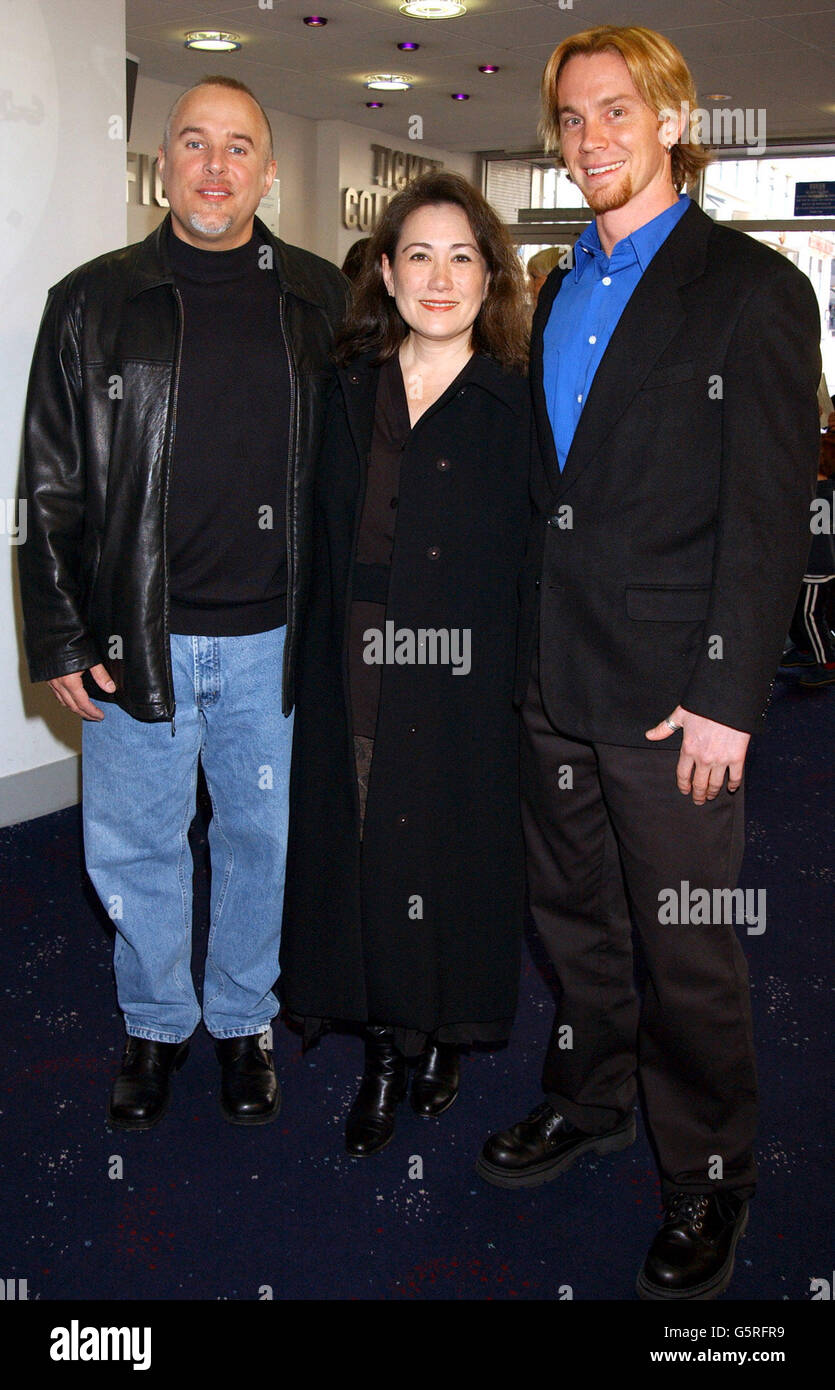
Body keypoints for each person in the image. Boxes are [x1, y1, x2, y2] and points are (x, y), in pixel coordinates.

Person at [476, 25, 822, 1300]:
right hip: (555, 684)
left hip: (680, 700)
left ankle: (709, 1179)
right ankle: (591, 1098)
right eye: (571, 118)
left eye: (616, 112)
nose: (591, 139)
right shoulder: (560, 285)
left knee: (689, 949)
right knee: (574, 931)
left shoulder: (749, 287)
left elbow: (768, 513)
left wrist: (731, 695)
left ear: (674, 120)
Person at [18, 76, 348, 1131]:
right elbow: (51, 479)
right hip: (135, 641)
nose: (215, 166)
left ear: (269, 170)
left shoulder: (320, 298)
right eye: (194, 143)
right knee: (134, 847)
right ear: (162, 161)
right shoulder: (91, 299)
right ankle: (155, 1025)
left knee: (263, 843)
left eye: (237, 146)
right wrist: (59, 630)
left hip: (277, 643)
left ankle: (244, 1022)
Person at [280, 171, 532, 1156]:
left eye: (461, 255)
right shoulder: (342, 390)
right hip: (358, 662)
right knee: (368, 850)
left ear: (489, 276)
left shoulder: (519, 402)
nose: (439, 276)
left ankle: (444, 1034)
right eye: (417, 254)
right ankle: (385, 1046)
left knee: (453, 856)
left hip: (469, 676)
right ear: (383, 272)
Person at [780, 422, 835, 688]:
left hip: (817, 567)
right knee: (799, 611)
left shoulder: (817, 496)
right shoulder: (823, 492)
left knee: (809, 615)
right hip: (809, 565)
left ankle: (827, 661)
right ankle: (804, 649)